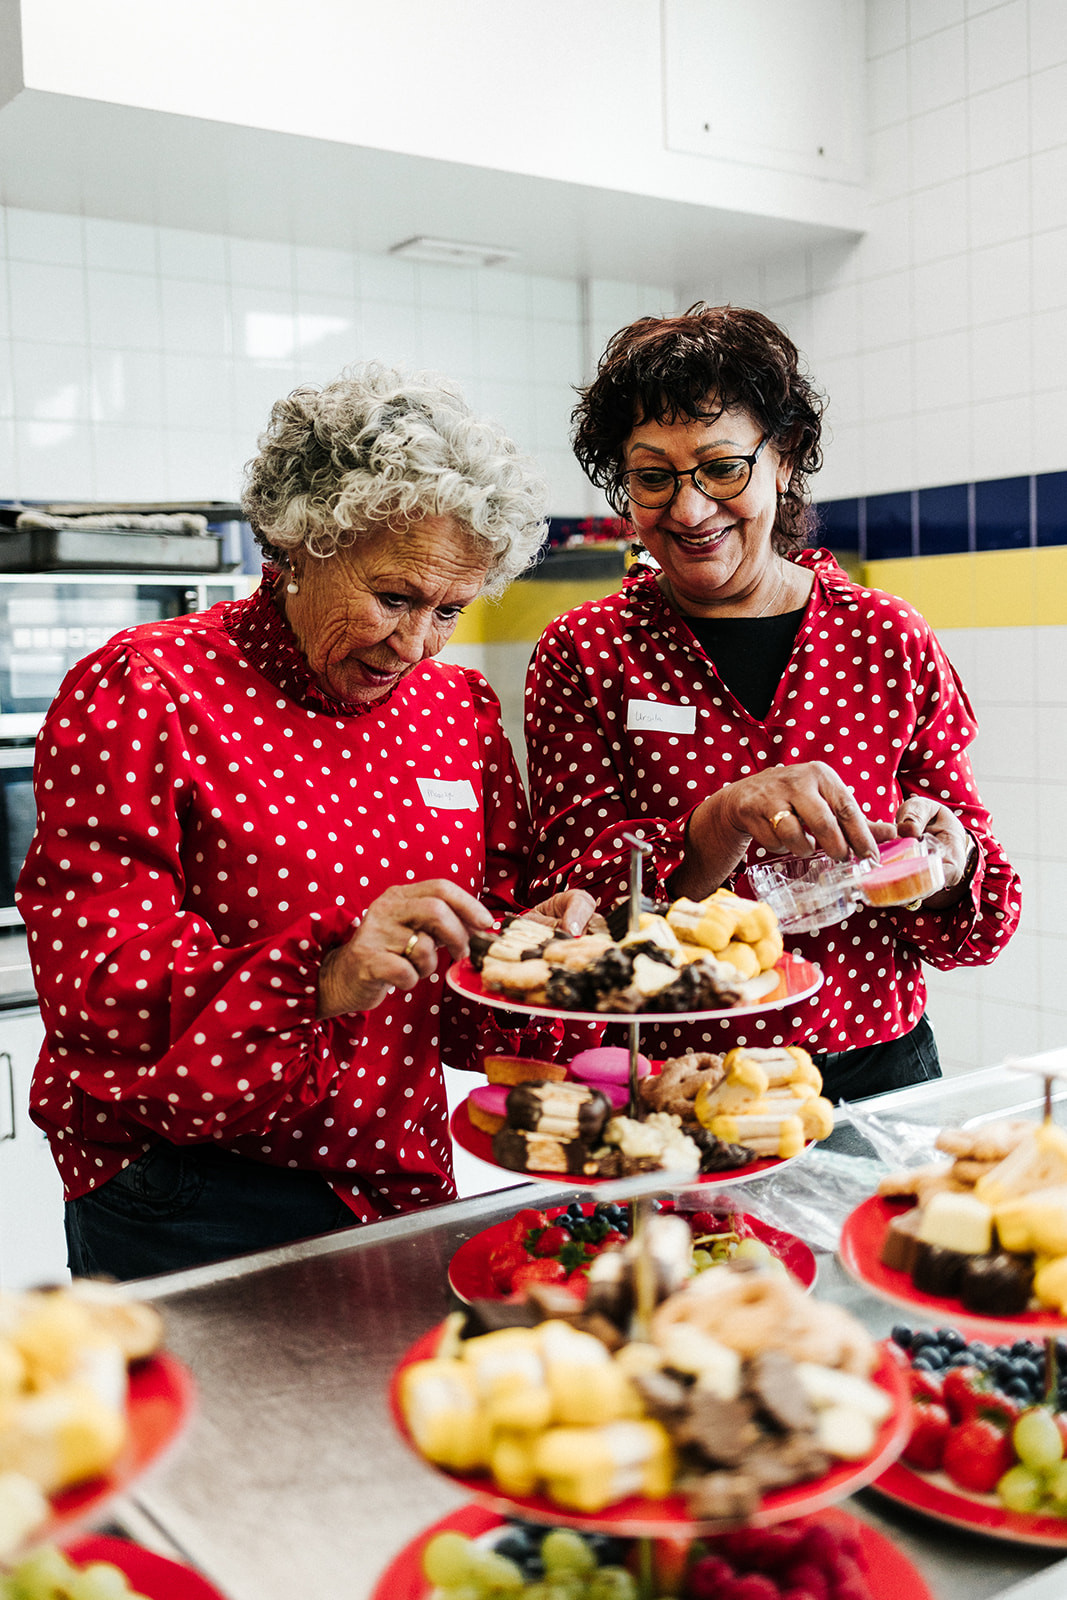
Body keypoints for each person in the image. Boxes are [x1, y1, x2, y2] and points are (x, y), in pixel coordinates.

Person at [17, 364, 594, 1280]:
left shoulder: (458, 712)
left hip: (396, 1172)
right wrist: (326, 975)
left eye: (449, 611)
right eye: (394, 598)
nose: (412, 647)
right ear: (296, 544)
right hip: (194, 1185)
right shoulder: (149, 690)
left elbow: (475, 958)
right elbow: (98, 987)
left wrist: (538, 952)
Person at [524, 305, 1021, 1101]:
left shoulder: (883, 637)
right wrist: (714, 825)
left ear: (782, 458)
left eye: (722, 468)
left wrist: (948, 863)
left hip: (874, 1068)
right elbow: (570, 908)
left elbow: (977, 925)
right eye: (653, 478)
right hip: (672, 1081)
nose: (688, 512)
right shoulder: (588, 652)